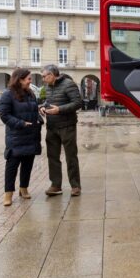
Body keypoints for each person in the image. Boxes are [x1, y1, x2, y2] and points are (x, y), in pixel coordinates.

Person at [0, 68, 43, 206]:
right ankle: (8, 194)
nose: (31, 81)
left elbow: (33, 109)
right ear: (20, 79)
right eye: (29, 79)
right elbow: (4, 115)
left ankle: (23, 188)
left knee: (27, 165)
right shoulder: (7, 95)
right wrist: (21, 123)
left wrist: (39, 116)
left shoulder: (30, 94)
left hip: (31, 134)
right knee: (12, 166)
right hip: (16, 136)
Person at [40, 64, 83, 196]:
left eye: (44, 76)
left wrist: (59, 109)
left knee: (71, 157)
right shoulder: (47, 86)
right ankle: (56, 185)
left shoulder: (69, 84)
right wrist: (42, 106)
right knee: (52, 157)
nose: (43, 79)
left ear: (52, 75)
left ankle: (75, 186)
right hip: (51, 127)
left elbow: (78, 103)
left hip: (67, 126)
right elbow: (49, 101)